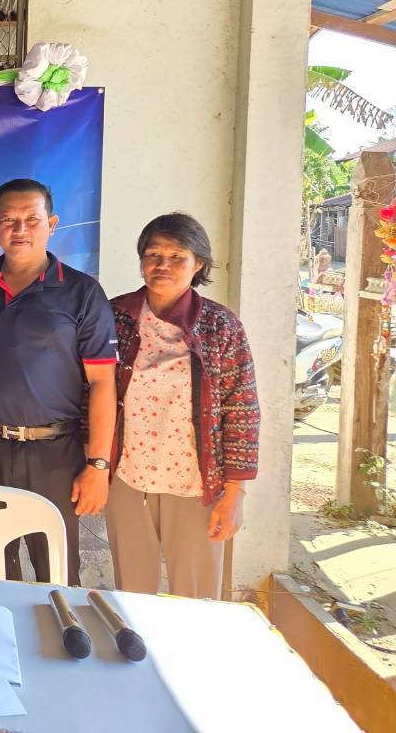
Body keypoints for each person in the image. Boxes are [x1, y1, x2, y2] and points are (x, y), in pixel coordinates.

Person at [0, 178, 117, 586]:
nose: (20, 229)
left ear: (52, 224)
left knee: (57, 572)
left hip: (56, 454)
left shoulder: (82, 292)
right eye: (9, 220)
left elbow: (103, 382)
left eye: (32, 219)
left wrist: (98, 465)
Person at [104, 213, 260, 600]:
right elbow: (90, 391)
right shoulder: (115, 316)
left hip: (195, 484)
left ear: (198, 264)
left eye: (177, 256)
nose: (163, 265)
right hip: (127, 479)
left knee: (196, 601)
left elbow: (242, 411)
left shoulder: (221, 326)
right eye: (153, 254)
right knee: (133, 596)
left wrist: (235, 493)